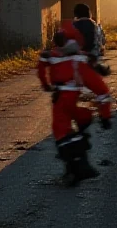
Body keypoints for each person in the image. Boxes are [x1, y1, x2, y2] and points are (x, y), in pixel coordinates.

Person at [37, 30, 112, 186]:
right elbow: (101, 90)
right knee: (82, 120)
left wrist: (46, 85)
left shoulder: (54, 56)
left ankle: (74, 168)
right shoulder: (80, 60)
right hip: (73, 99)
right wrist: (105, 116)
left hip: (61, 99)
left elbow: (41, 67)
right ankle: (78, 164)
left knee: (61, 132)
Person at [66, 3, 111, 77]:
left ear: (76, 13)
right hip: (96, 56)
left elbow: (80, 42)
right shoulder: (96, 25)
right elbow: (103, 40)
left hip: (84, 57)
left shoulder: (78, 25)